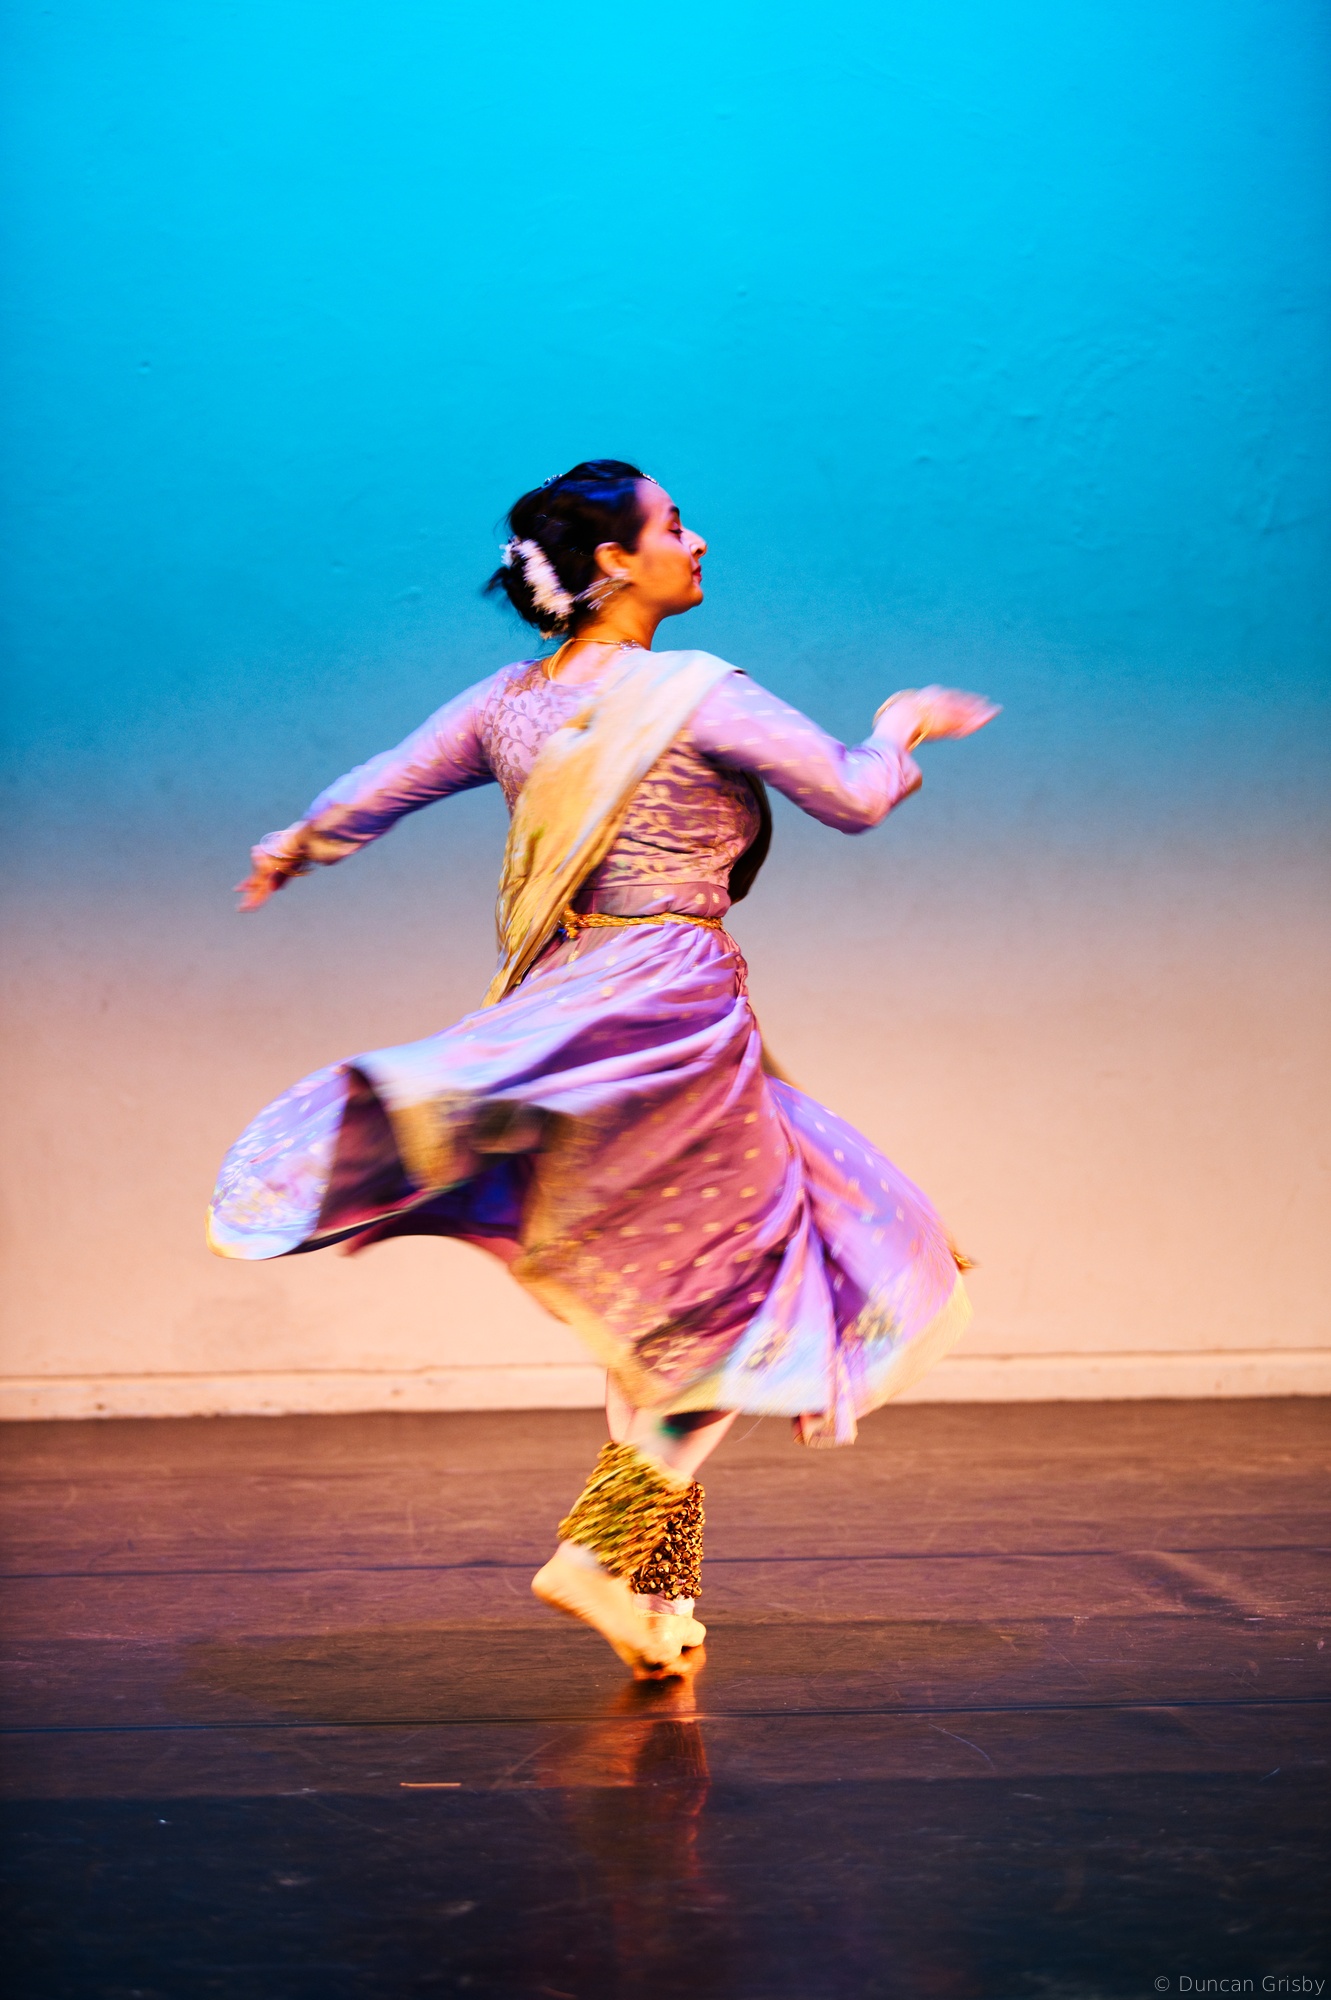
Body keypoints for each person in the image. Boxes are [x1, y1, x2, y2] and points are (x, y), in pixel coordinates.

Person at [211, 459, 997, 1677]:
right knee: (749, 1294)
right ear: (617, 561)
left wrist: (291, 845)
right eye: (674, 524)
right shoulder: (692, 692)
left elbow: (376, 787)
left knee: (664, 1310)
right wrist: (899, 728)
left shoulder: (507, 704)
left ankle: (653, 1594)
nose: (699, 540)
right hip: (670, 1008)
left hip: (572, 1005)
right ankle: (592, 1555)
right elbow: (851, 795)